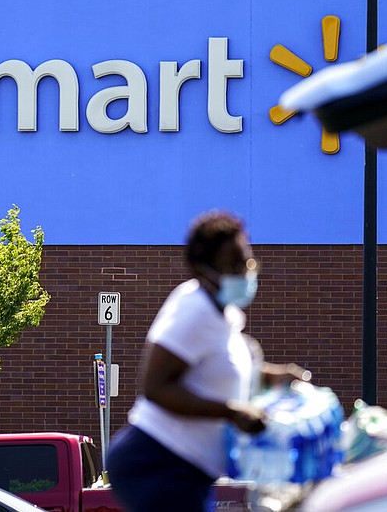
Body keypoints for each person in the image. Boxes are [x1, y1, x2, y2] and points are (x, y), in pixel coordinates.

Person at [106, 210, 308, 512]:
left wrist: (272, 376)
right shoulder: (193, 310)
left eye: (247, 262)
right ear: (205, 270)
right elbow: (156, 386)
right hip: (156, 463)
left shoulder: (225, 314)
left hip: (189, 470)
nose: (245, 273)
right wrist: (231, 411)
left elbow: (222, 373)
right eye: (234, 265)